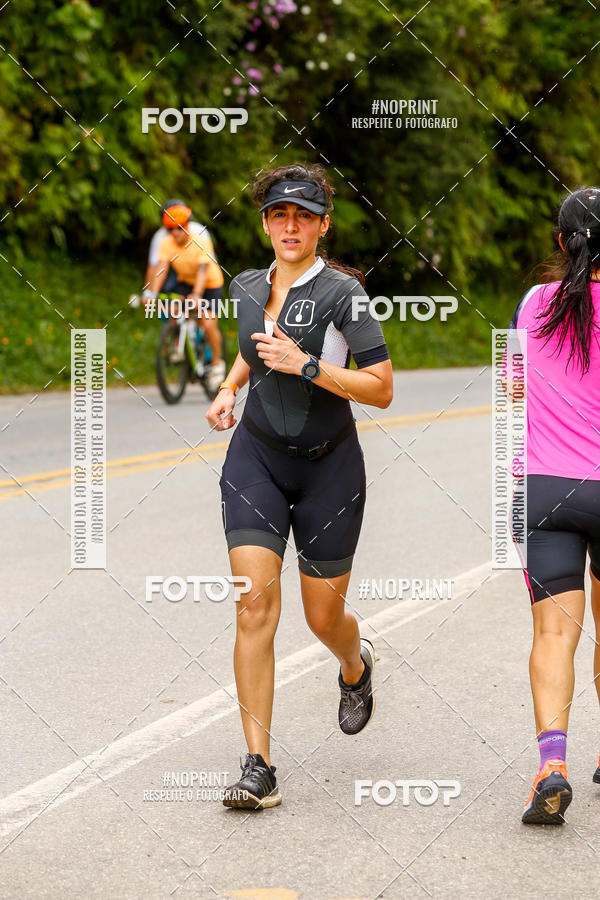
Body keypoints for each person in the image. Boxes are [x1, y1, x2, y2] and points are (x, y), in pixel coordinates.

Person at [205, 163, 393, 810]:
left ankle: (355, 665)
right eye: (280, 214)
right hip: (256, 456)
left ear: (322, 225)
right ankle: (257, 764)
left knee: (322, 616)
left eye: (303, 216)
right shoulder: (247, 286)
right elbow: (252, 350)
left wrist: (307, 365)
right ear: (264, 223)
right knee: (254, 603)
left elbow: (383, 388)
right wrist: (231, 387)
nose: (291, 225)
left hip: (329, 467)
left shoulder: (344, 294)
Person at [507, 186, 600, 825]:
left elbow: (516, 397)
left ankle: (552, 765)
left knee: (552, 634)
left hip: (545, 489)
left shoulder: (534, 305)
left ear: (560, 242)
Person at [149, 203, 225, 392]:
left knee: (207, 322)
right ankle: (178, 344)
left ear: (187, 227)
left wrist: (197, 295)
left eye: (179, 228)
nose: (175, 233)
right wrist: (152, 293)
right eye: (170, 229)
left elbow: (202, 271)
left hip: (209, 283)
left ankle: (217, 364)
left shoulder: (200, 241)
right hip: (185, 281)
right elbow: (162, 269)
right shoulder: (166, 243)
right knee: (173, 308)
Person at [143, 198, 213, 295]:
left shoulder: (199, 232)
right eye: (170, 227)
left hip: (201, 270)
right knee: (167, 290)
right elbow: (154, 266)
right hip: (177, 271)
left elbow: (205, 266)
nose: (175, 231)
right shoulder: (160, 237)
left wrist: (196, 293)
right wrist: (148, 293)